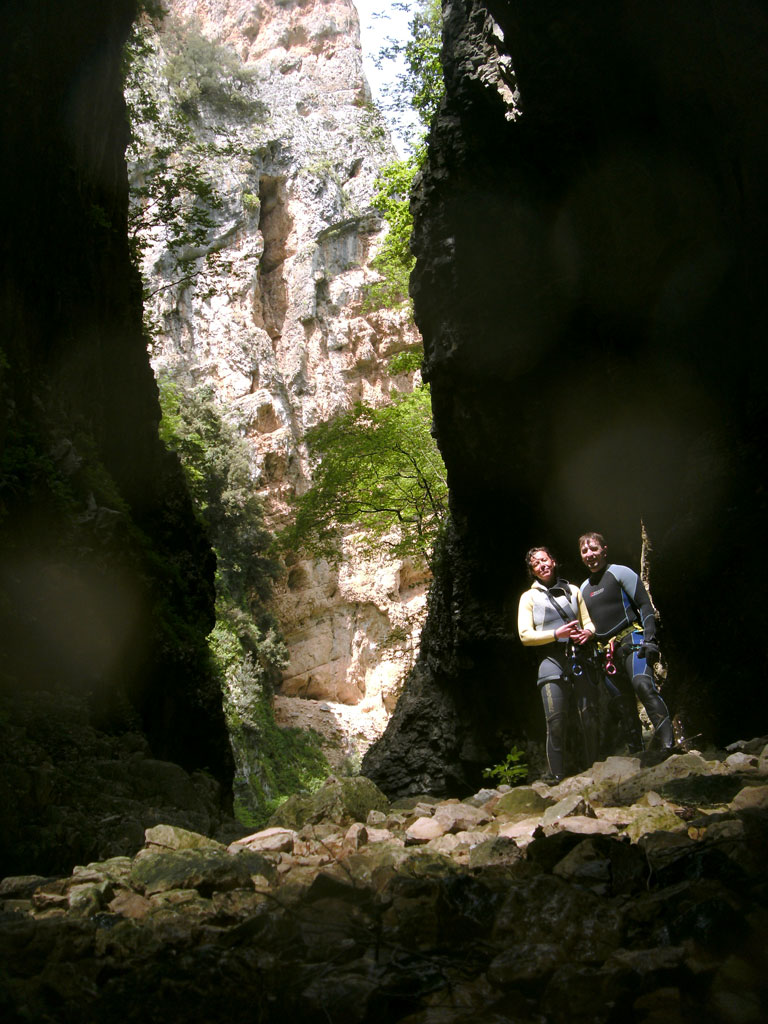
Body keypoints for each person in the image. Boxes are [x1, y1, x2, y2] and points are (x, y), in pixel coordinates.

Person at [578, 531, 675, 752]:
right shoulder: (583, 589)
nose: (589, 554)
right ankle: (636, 753)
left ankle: (668, 745)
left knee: (643, 685)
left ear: (604, 549)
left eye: (593, 548)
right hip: (606, 653)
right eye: (584, 551)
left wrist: (650, 639)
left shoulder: (620, 572)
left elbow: (644, 605)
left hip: (632, 639)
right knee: (622, 705)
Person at [518, 546, 599, 782]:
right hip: (550, 661)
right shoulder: (528, 597)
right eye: (536, 564)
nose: (542, 565)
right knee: (555, 720)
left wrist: (589, 634)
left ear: (553, 561)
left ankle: (595, 768)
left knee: (589, 714)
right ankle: (556, 774)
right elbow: (525, 635)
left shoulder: (573, 590)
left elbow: (589, 623)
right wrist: (556, 633)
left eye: (544, 560)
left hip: (579, 657)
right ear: (532, 571)